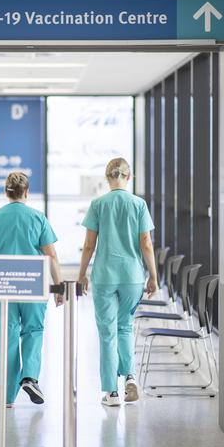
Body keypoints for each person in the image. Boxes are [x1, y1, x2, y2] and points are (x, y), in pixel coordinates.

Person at [0, 172, 63, 408]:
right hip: (33, 284)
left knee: (7, 336)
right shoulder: (37, 217)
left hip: (2, 286)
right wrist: (59, 286)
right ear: (27, 192)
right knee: (33, 330)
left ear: (6, 192)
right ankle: (30, 377)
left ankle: (7, 396)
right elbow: (50, 254)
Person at [77, 158, 157, 407]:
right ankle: (130, 377)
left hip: (105, 277)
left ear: (107, 177)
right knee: (125, 327)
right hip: (133, 276)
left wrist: (82, 274)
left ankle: (111, 392)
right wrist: (153, 276)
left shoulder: (98, 204)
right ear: (128, 177)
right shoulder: (139, 204)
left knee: (107, 332)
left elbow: (89, 244)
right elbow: (146, 242)